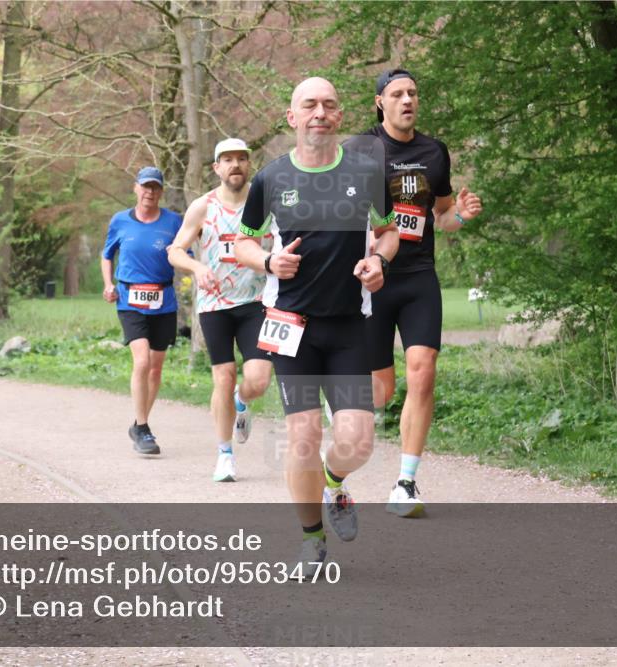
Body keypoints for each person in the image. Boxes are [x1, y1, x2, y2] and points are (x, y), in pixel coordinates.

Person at [235, 77, 399, 576]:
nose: (319, 113)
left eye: (328, 105)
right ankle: (311, 541)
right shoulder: (271, 178)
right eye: (309, 105)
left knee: (358, 441)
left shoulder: (366, 172)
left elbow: (389, 232)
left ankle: (334, 483)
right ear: (292, 117)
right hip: (292, 327)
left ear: (340, 116)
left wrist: (380, 262)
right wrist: (267, 263)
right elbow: (242, 243)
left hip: (349, 324)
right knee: (302, 436)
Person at [358, 68, 483, 517]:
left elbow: (442, 216)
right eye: (398, 94)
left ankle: (405, 483)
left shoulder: (435, 152)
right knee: (380, 392)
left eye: (413, 93)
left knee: (423, 368)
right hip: (373, 280)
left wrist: (462, 216)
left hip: (417, 276)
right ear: (380, 102)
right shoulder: (359, 150)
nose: (408, 100)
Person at [168, 138, 273, 483]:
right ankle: (225, 455)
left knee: (257, 380)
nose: (235, 166)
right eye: (227, 160)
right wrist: (198, 269)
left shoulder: (263, 204)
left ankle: (241, 402)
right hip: (214, 305)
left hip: (255, 302)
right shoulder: (203, 206)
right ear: (216, 168)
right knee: (223, 376)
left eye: (241, 159)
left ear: (249, 165)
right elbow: (175, 250)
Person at [102, 166, 183, 456]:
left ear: (161, 191)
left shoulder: (175, 221)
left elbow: (186, 253)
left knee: (156, 366)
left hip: (164, 299)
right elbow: (106, 254)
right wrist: (108, 284)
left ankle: (138, 424)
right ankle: (145, 427)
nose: (150, 192)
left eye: (155, 187)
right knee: (142, 362)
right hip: (129, 299)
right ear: (135, 188)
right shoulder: (120, 221)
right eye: (145, 186)